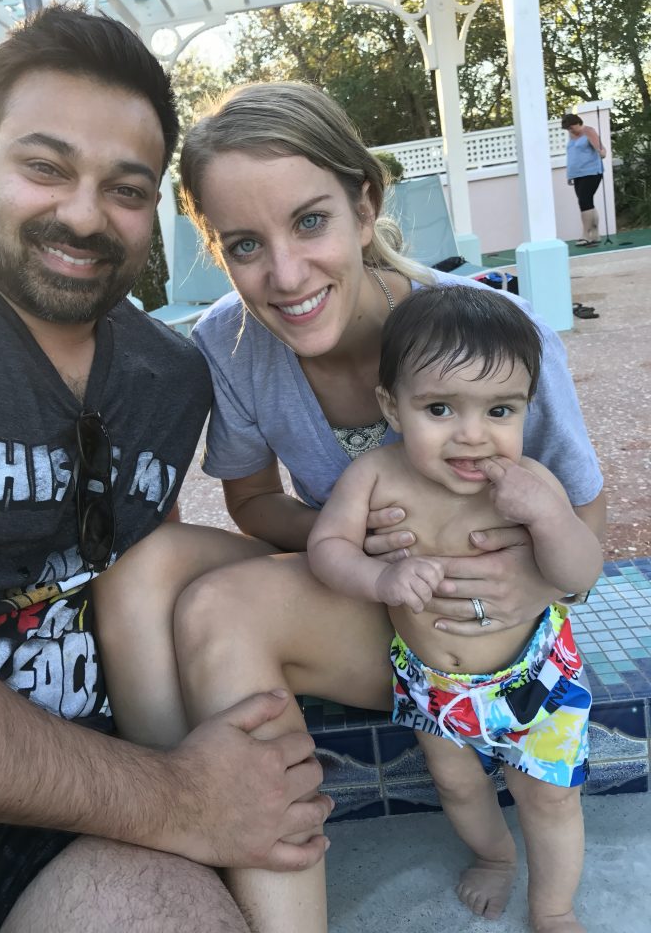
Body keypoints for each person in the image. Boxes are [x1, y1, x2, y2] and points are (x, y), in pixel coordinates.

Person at [0, 5, 333, 933]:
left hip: (76, 811)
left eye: (126, 189)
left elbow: (145, 571)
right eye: (45, 168)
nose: (84, 215)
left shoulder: (169, 375)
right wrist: (176, 798)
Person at [145, 80, 602, 933]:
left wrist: (534, 585)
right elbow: (250, 502)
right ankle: (183, 833)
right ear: (214, 246)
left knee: (219, 607)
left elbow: (589, 521)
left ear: (364, 203)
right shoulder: (231, 343)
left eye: (310, 220)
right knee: (150, 567)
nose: (285, 275)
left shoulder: (493, 340)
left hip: (502, 636)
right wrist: (358, 547)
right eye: (244, 244)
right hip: (389, 618)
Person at [307, 283, 601, 933]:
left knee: (550, 798)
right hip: (434, 682)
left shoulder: (532, 484)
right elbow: (325, 547)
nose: (472, 436)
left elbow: (583, 572)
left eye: (499, 410)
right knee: (459, 786)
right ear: (392, 405)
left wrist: (550, 520)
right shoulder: (375, 477)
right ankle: (494, 857)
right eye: (440, 408)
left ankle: (553, 907)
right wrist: (378, 581)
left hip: (534, 678)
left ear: (526, 407)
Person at [561, 112, 606, 247]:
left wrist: (601, 152)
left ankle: (586, 235)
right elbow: (572, 155)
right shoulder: (572, 135)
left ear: (577, 123)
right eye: (568, 129)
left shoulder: (588, 131)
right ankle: (596, 234)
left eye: (571, 127)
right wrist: (570, 175)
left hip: (591, 172)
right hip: (577, 174)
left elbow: (602, 150)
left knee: (584, 201)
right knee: (588, 202)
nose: (570, 130)